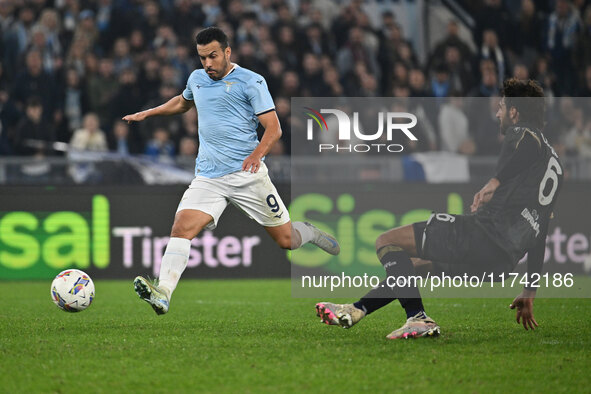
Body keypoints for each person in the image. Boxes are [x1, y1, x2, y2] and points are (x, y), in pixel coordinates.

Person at [316, 79, 563, 339]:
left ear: (515, 111)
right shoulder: (553, 162)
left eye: (502, 107)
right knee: (414, 266)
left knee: (386, 241)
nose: (498, 113)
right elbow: (540, 230)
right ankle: (357, 309)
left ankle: (418, 317)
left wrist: (495, 180)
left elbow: (526, 148)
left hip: (484, 235)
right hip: (502, 262)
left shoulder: (524, 134)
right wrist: (530, 289)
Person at [123, 27, 339, 315]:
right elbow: (183, 102)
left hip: (247, 176)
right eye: (202, 58)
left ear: (227, 52)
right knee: (181, 228)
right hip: (209, 176)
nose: (207, 64)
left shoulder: (251, 81)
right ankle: (163, 292)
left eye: (212, 56)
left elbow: (274, 128)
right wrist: (149, 112)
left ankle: (308, 232)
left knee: (287, 240)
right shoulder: (197, 78)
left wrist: (256, 154)